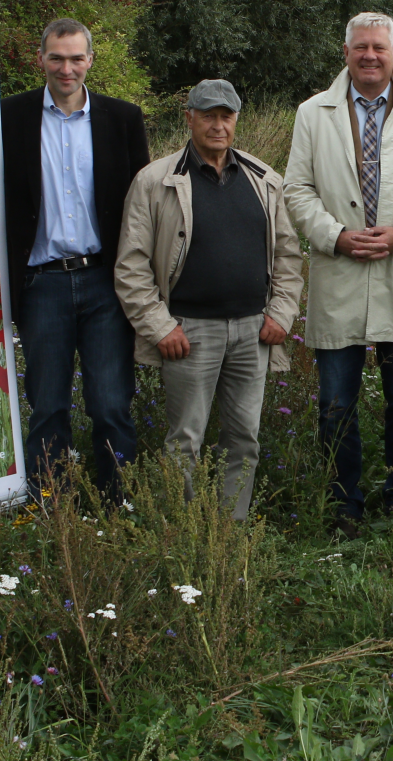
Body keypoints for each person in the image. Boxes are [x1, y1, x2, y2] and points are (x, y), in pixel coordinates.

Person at [285, 13, 393, 534]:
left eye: (380, 47)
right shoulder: (314, 113)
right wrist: (335, 235)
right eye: (361, 47)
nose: (370, 56)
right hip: (341, 274)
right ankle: (343, 507)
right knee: (335, 406)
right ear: (346, 51)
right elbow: (297, 190)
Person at [113, 80, 303, 520]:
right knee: (185, 440)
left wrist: (281, 314)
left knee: (244, 438)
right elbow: (131, 266)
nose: (218, 126)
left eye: (226, 116)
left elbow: (288, 256)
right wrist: (161, 327)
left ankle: (229, 530)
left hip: (253, 331)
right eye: (208, 116)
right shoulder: (155, 181)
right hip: (188, 333)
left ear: (236, 119)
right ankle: (183, 532)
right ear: (189, 119)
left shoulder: (263, 179)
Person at [0, 18, 150, 503]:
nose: (67, 68)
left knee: (110, 403)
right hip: (41, 283)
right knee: (47, 405)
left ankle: (117, 502)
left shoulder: (122, 119)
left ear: (90, 61)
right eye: (57, 58)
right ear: (40, 59)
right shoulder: (9, 118)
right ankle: (51, 509)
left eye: (76, 58)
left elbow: (141, 205)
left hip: (105, 281)